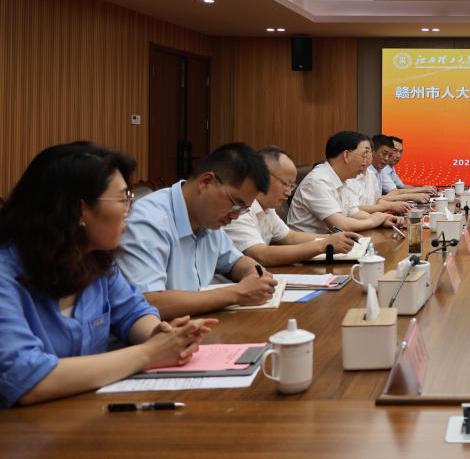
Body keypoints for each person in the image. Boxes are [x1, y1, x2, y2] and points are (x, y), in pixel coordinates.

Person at [0, 142, 216, 407]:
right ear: (79, 211)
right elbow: (24, 379)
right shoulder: (5, 274)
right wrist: (149, 353)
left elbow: (134, 311)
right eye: (123, 199)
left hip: (87, 415)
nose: (129, 211)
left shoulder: (95, 260)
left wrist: (162, 335)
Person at [117, 143, 279, 320]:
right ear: (206, 182)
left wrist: (253, 272)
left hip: (196, 326)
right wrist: (237, 293)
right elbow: (147, 302)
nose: (235, 215)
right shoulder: (148, 221)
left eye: (243, 209)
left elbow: (235, 261)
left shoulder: (208, 218)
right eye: (235, 204)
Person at [224, 146, 364, 265]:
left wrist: (333, 239)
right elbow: (260, 255)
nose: (289, 192)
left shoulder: (268, 209)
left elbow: (290, 237)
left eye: (292, 186)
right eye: (286, 184)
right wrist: (323, 245)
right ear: (262, 176)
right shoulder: (238, 208)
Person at [288, 131, 402, 234]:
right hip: (309, 247)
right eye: (364, 155)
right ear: (346, 155)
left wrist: (383, 220)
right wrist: (372, 221)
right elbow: (340, 225)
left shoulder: (344, 179)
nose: (366, 161)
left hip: (331, 242)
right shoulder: (318, 181)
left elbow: (353, 212)